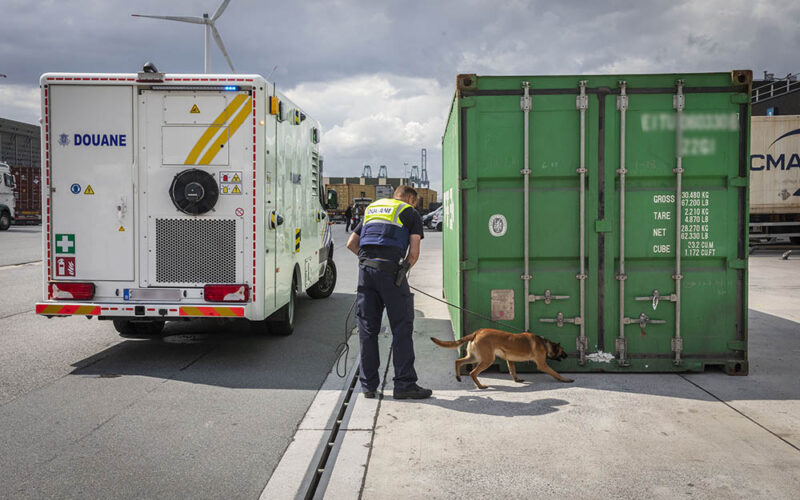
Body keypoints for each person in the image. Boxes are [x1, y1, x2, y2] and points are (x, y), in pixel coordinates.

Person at [346, 186, 431, 400]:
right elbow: (414, 253)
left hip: (366, 273)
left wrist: (369, 262)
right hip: (391, 273)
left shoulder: (373, 208)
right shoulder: (410, 212)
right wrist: (401, 272)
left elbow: (351, 244)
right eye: (415, 202)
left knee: (367, 329)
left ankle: (368, 387)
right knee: (402, 328)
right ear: (410, 198)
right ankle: (404, 385)